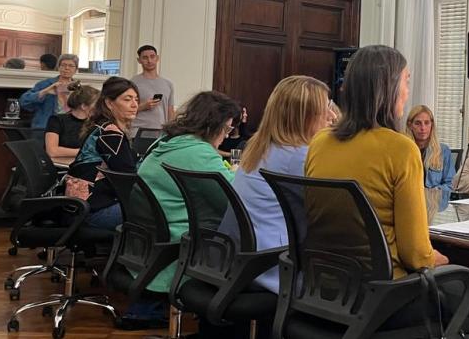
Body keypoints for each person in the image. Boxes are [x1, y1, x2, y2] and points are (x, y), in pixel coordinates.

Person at [306, 45, 469, 337]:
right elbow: (416, 256)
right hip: (388, 297)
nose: (408, 91)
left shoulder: (320, 142)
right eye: (407, 80)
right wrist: (442, 259)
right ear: (388, 87)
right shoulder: (400, 149)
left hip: (324, 288)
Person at [225, 76, 333, 294]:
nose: (331, 117)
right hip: (275, 269)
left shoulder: (260, 146)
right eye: (325, 109)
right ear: (303, 116)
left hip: (242, 262)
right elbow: (333, 213)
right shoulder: (299, 157)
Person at [135, 91, 240, 300]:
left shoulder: (166, 142)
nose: (227, 135)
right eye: (227, 128)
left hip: (147, 242)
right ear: (213, 125)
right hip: (180, 242)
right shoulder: (197, 152)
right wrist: (238, 174)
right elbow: (231, 202)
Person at [67, 76, 139, 230]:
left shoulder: (102, 126)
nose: (134, 105)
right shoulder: (110, 134)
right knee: (159, 213)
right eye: (127, 99)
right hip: (91, 211)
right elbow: (128, 175)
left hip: (79, 207)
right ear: (109, 103)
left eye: (136, 100)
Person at [406, 105, 455, 212]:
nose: (423, 128)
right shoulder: (403, 150)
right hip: (408, 204)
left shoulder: (443, 151)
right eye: (418, 123)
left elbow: (451, 184)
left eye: (427, 123)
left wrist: (434, 191)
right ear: (410, 125)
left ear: (432, 125)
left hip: (435, 206)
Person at [44, 82, 99, 166]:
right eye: (96, 104)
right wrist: (83, 151)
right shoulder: (56, 120)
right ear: (84, 106)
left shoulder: (95, 123)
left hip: (85, 165)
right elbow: (52, 151)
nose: (99, 108)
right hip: (59, 168)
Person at [19, 53, 80, 130]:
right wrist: (45, 91)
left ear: (76, 70)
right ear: (58, 67)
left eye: (71, 66)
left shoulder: (79, 89)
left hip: (69, 128)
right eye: (63, 65)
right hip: (45, 128)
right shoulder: (45, 84)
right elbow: (23, 101)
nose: (66, 68)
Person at [130, 45, 175, 133]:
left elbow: (170, 111)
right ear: (139, 60)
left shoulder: (168, 84)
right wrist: (143, 106)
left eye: (152, 57)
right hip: (138, 130)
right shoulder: (133, 83)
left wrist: (172, 131)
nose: (149, 61)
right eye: (145, 58)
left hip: (161, 131)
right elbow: (125, 110)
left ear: (157, 58)